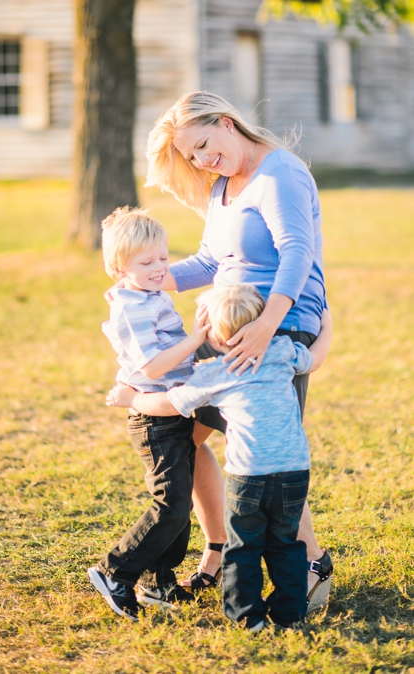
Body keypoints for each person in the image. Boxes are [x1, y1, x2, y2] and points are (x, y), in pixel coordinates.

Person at [143, 91, 333, 610]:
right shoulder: (224, 186)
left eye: (203, 145)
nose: (202, 161)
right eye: (192, 156)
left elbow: (297, 250)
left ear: (226, 123)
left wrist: (268, 324)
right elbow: (210, 260)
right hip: (228, 330)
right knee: (188, 435)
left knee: (267, 450)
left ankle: (312, 563)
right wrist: (152, 279)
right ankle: (219, 548)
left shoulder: (280, 174)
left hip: (277, 327)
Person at [108, 284, 332, 629]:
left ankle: (247, 616)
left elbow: (169, 404)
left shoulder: (216, 371)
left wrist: (131, 399)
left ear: (216, 338)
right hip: (294, 470)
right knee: (285, 543)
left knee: (243, 546)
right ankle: (289, 616)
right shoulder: (284, 350)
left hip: (249, 474)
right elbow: (315, 360)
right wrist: (327, 325)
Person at [86, 206, 213, 622]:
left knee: (180, 502)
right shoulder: (130, 307)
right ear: (119, 268)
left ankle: (158, 583)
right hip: (154, 420)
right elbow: (153, 366)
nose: (160, 268)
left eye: (163, 257)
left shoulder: (147, 293)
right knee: (171, 504)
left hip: (174, 411)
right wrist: (197, 339)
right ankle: (114, 571)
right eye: (147, 262)